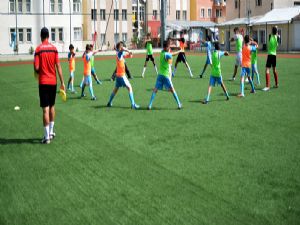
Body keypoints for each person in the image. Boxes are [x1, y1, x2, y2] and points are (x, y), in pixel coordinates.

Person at [33, 27, 65, 144]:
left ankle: (46, 137)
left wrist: (36, 68)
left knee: (45, 109)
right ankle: (51, 132)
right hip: (53, 82)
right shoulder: (54, 49)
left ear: (41, 36)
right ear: (48, 36)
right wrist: (62, 82)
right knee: (52, 106)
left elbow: (36, 68)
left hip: (43, 82)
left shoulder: (38, 49)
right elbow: (59, 66)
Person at [148, 40, 182, 110]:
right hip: (166, 75)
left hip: (160, 75)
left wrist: (170, 48)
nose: (169, 47)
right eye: (168, 46)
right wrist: (179, 50)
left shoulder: (161, 52)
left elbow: (169, 57)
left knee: (155, 90)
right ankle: (179, 104)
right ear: (166, 47)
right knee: (172, 90)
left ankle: (150, 105)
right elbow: (173, 54)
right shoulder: (167, 54)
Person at [107, 42, 139, 109]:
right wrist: (128, 50)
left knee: (115, 90)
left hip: (118, 76)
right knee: (129, 88)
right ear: (120, 47)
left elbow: (127, 56)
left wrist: (130, 54)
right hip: (121, 76)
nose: (122, 47)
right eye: (121, 46)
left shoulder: (119, 53)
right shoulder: (119, 53)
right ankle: (133, 104)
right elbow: (122, 50)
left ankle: (109, 102)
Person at [262, 26, 280, 91]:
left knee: (267, 70)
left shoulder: (270, 36)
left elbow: (272, 33)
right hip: (274, 55)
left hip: (270, 55)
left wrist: (275, 30)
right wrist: (277, 33)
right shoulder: (277, 37)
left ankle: (267, 86)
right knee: (274, 70)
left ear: (272, 31)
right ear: (277, 31)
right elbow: (277, 44)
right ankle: (276, 84)